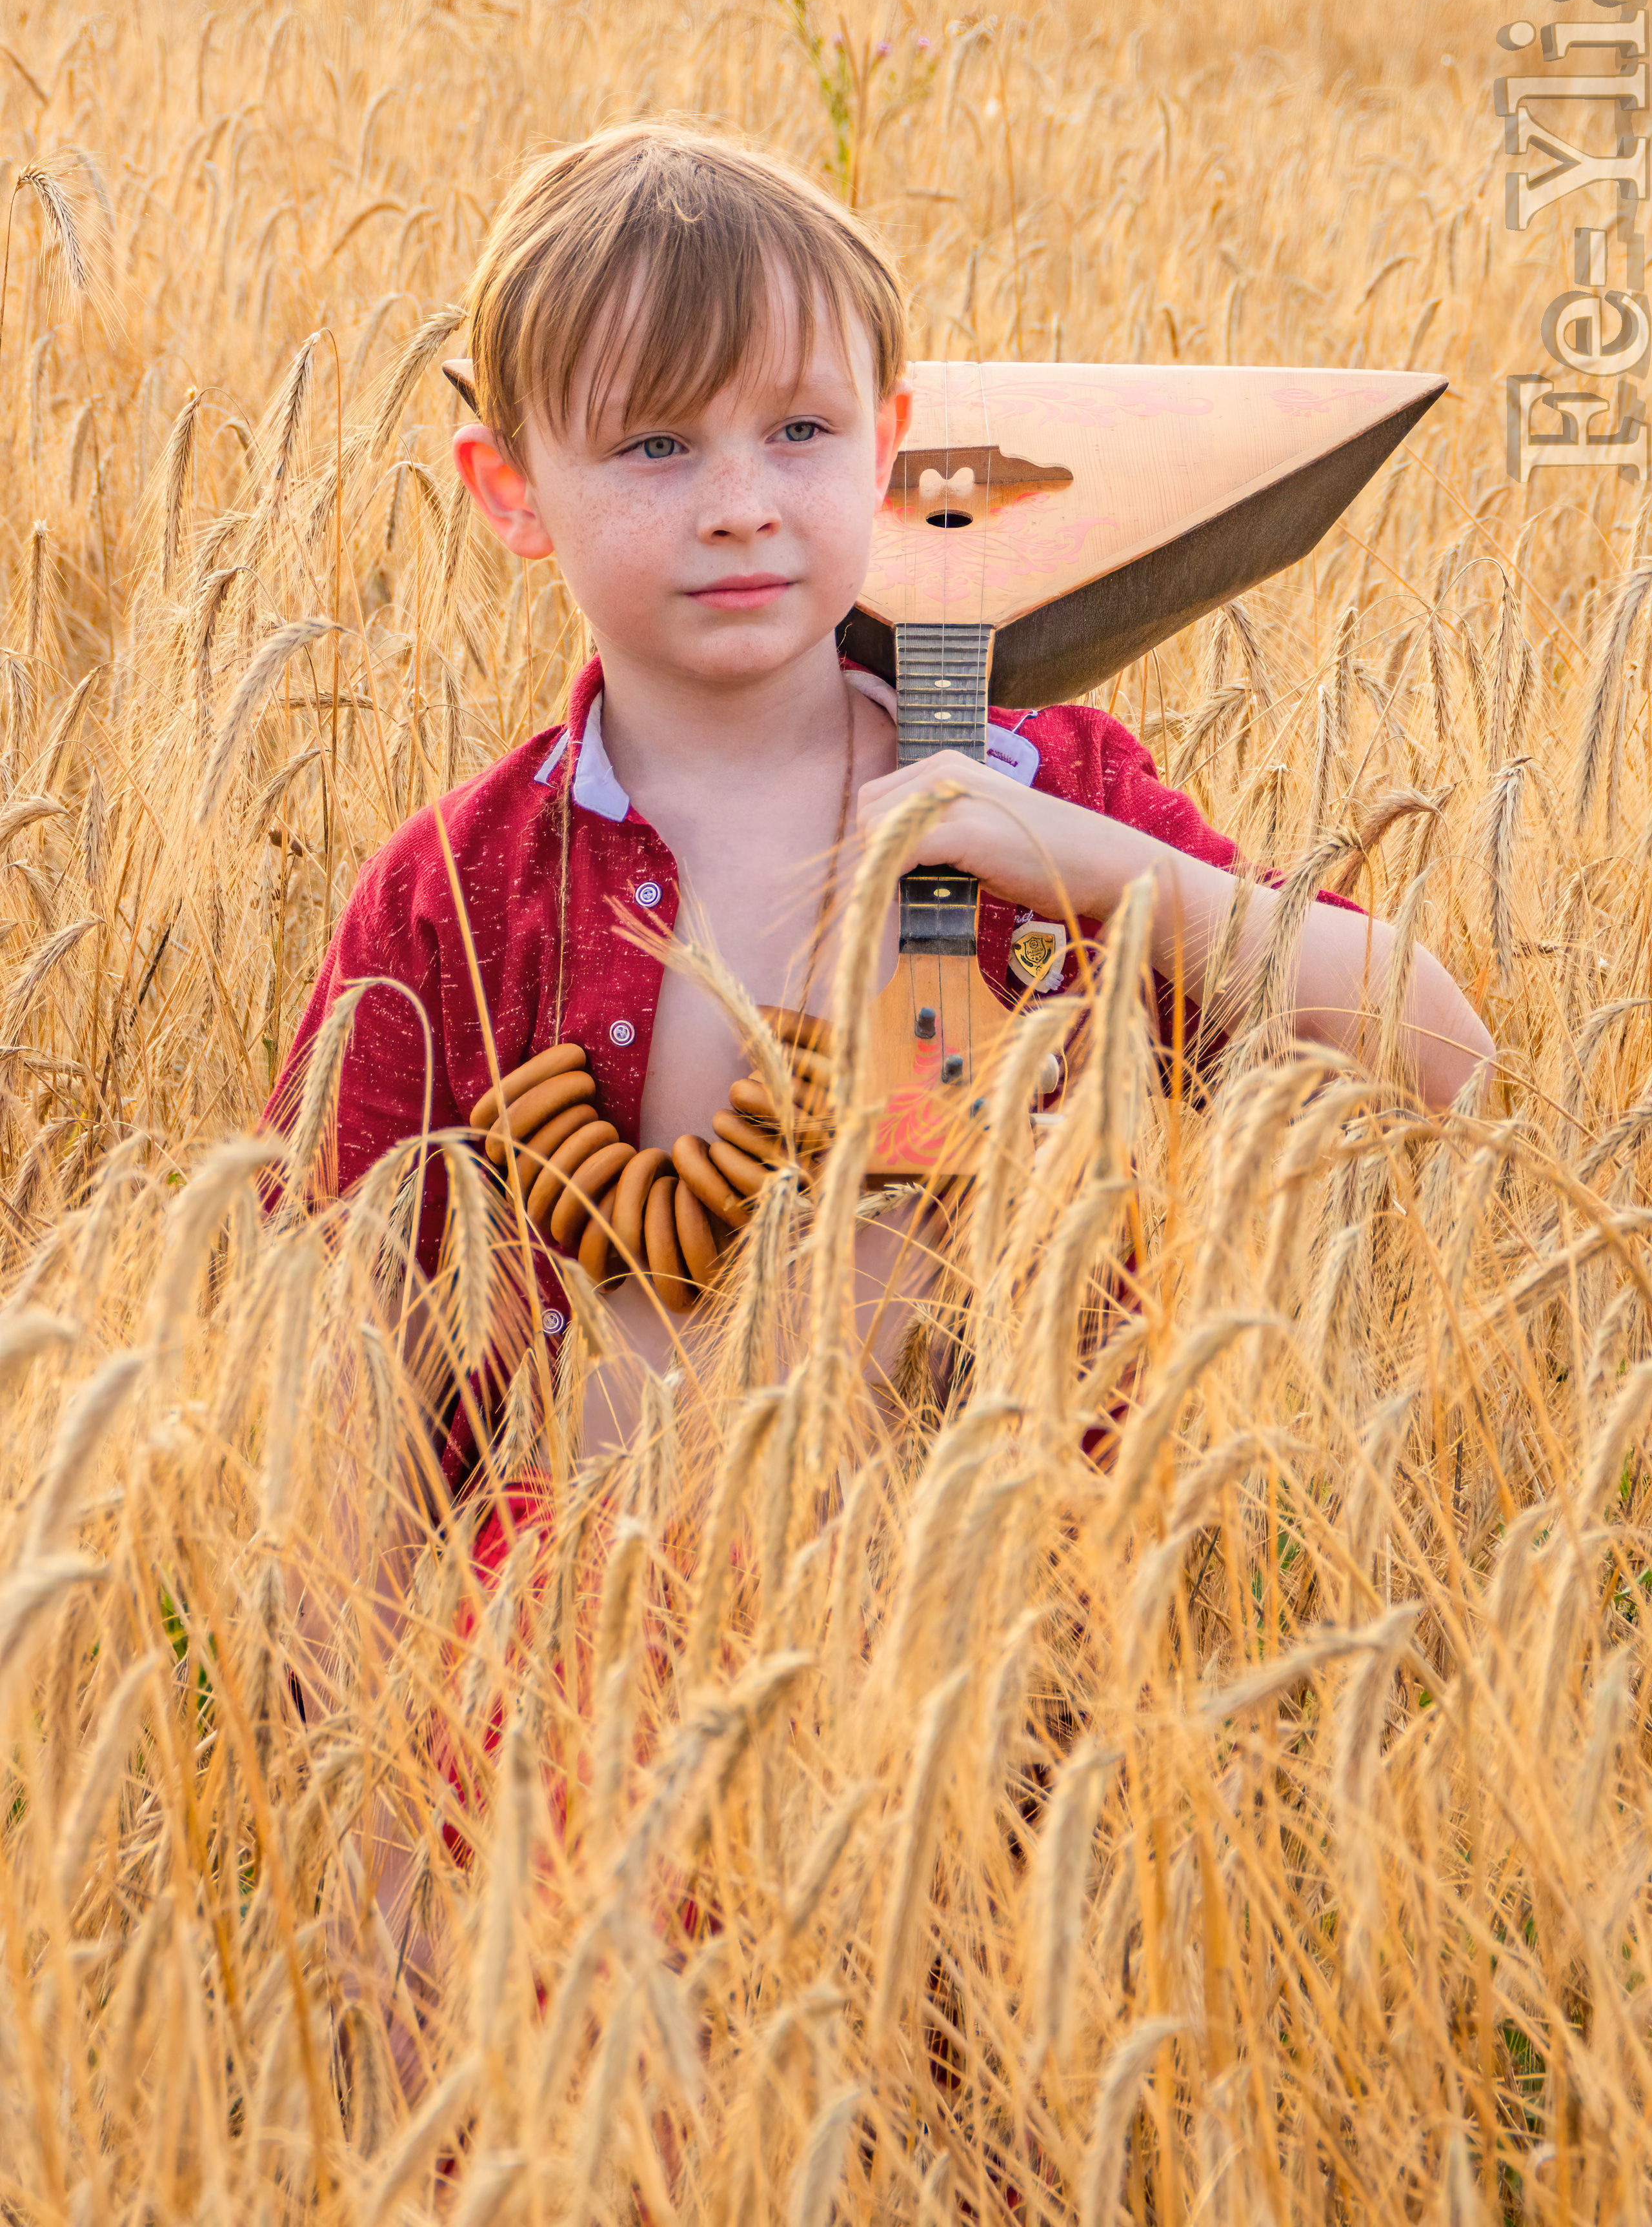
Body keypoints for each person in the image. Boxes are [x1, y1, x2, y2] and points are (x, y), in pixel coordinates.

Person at [268, 119, 1493, 2077]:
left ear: (897, 442)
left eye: (799, 435)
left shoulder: (1031, 779)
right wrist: (378, 1845)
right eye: (655, 447)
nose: (742, 504)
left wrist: (1088, 868)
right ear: (510, 493)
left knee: (972, 2126)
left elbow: (1445, 1055)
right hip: (582, 1721)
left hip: (1008, 1702)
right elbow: (343, 1382)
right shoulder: (464, 888)